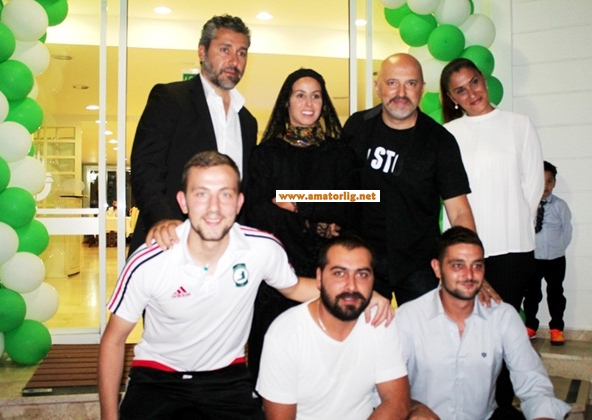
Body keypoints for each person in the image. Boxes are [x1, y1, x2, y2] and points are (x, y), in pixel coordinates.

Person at [98, 151, 392, 420]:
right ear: (183, 202)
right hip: (157, 378)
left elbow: (295, 288)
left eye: (225, 195)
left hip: (227, 379)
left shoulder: (262, 249)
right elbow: (113, 340)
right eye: (201, 194)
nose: (214, 208)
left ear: (239, 203)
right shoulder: (151, 260)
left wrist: (363, 294)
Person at [440, 57, 544, 409]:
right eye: (460, 90)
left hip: (512, 247)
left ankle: (500, 405)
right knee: (468, 334)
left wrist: (516, 228)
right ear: (451, 98)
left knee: (502, 334)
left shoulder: (519, 124)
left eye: (474, 82)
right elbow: (450, 197)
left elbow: (532, 189)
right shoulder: (449, 134)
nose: (471, 93)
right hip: (465, 253)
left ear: (484, 80)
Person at [245, 68, 358, 383]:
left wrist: (296, 204)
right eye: (300, 95)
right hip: (276, 276)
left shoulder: (340, 153)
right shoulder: (265, 155)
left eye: (316, 95)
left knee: (325, 369)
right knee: (274, 369)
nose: (309, 103)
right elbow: (258, 214)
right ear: (287, 102)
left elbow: (357, 202)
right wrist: (318, 222)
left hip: (328, 272)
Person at [396, 226, 571, 420]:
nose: (469, 275)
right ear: (437, 268)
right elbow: (384, 391)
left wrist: (542, 415)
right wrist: (413, 408)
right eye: (458, 265)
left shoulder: (502, 317)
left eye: (477, 266)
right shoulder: (408, 318)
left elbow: (534, 386)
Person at [342, 52, 475, 305]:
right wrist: (298, 199)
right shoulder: (357, 127)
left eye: (411, 83)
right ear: (377, 87)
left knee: (423, 330)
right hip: (361, 261)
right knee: (362, 330)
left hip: (419, 264)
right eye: (392, 83)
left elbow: (459, 211)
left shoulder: (440, 141)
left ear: (422, 89)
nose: (401, 93)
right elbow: (341, 190)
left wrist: (467, 265)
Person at [129, 14, 257, 255]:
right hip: (170, 242)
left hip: (227, 252)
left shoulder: (247, 122)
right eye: (225, 50)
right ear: (202, 52)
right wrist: (162, 219)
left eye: (242, 53)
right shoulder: (170, 99)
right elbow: (145, 167)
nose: (234, 60)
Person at [256, 235, 410, 420]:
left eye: (362, 274)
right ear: (319, 278)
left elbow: (397, 403)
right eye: (339, 273)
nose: (351, 286)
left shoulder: (379, 320)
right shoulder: (285, 334)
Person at [523, 161, 573, 345]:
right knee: (531, 294)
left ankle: (557, 328)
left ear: (554, 183)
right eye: (541, 181)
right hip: (533, 258)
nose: (545, 186)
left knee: (556, 293)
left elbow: (567, 231)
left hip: (555, 258)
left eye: (549, 181)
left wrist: (558, 249)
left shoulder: (560, 205)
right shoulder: (527, 205)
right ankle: (530, 325)